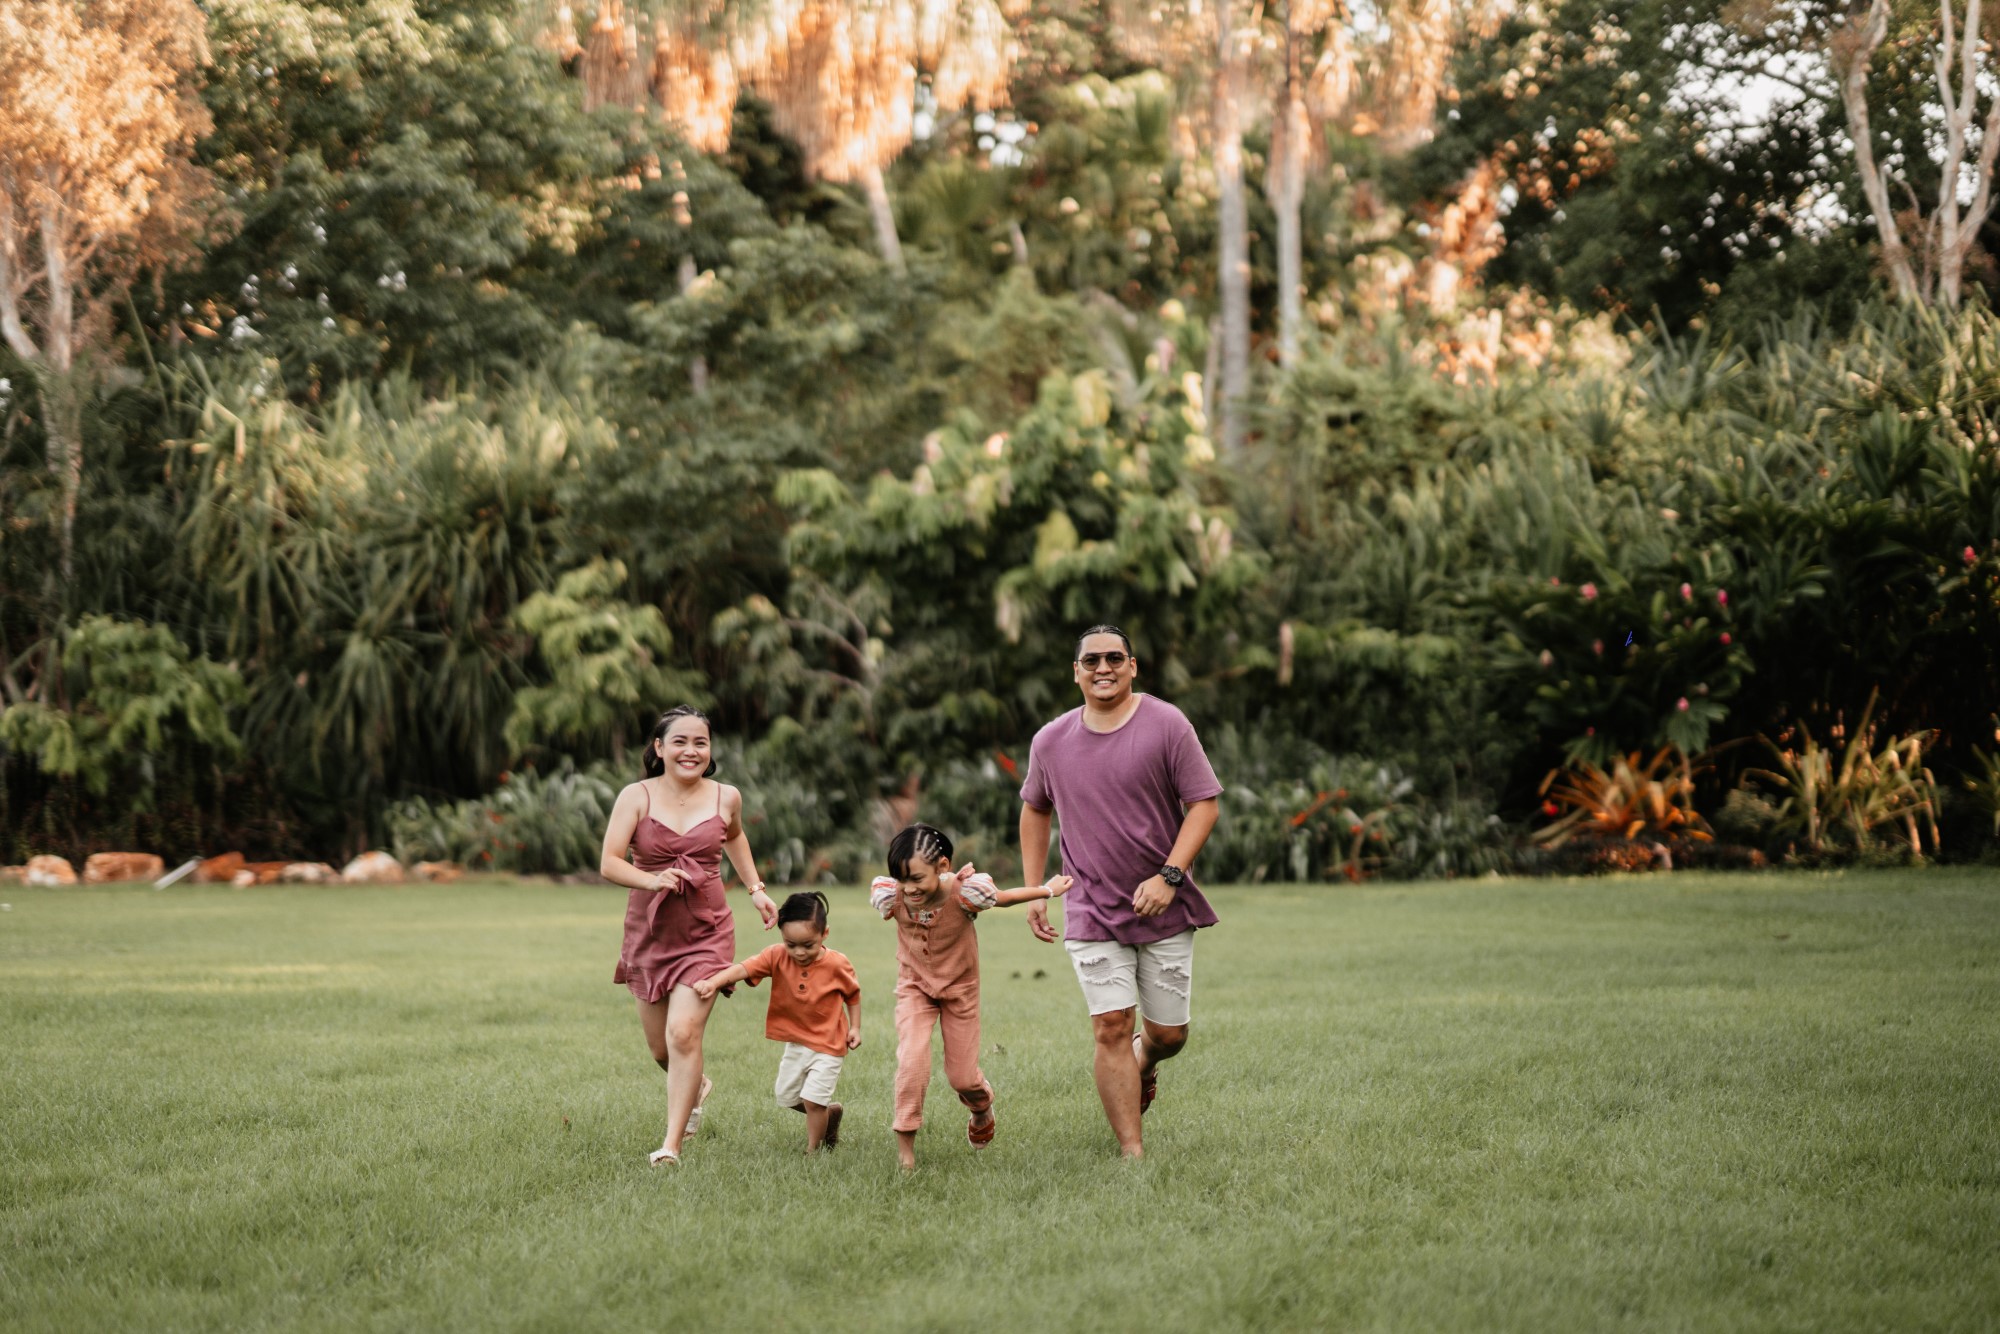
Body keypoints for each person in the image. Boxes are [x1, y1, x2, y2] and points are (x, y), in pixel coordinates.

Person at [1017, 625, 1222, 1159]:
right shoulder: (1050, 741)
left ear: (1133, 666)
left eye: (1114, 658)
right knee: (1110, 1026)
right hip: (1090, 906)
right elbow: (1035, 808)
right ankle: (1133, 1155)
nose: (1103, 668)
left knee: (1169, 1035)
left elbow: (1204, 805)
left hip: (1163, 904)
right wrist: (1037, 890)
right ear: (1076, 672)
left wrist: (1169, 877)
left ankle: (1145, 1060)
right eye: (1091, 661)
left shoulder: (1167, 724)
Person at [599, 705, 779, 1166]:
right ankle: (696, 1084)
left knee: (683, 1033)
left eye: (701, 742)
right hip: (651, 931)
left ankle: (671, 1146)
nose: (691, 751)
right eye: (679, 741)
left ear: (710, 749)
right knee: (662, 1048)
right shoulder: (636, 796)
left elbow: (734, 837)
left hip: (707, 930)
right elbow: (610, 862)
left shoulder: (726, 797)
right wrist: (651, 880)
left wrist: (756, 889)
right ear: (659, 748)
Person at [870, 823, 1072, 1171]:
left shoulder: (966, 893)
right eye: (901, 879)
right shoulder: (892, 897)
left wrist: (1046, 891)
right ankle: (906, 1154)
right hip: (914, 988)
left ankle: (981, 1107)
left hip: (960, 993)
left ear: (943, 866)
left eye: (916, 878)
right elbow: (898, 890)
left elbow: (1004, 898)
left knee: (962, 1077)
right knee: (912, 1062)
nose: (909, 888)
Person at [693, 892, 861, 1154]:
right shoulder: (777, 956)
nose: (799, 952)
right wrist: (714, 982)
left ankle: (813, 1151)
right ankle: (828, 1115)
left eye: (808, 945)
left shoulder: (838, 964)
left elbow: (852, 995)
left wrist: (855, 1027)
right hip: (797, 1044)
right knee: (787, 1096)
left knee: (813, 1100)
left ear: (825, 934)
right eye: (790, 944)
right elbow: (744, 968)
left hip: (830, 1044)